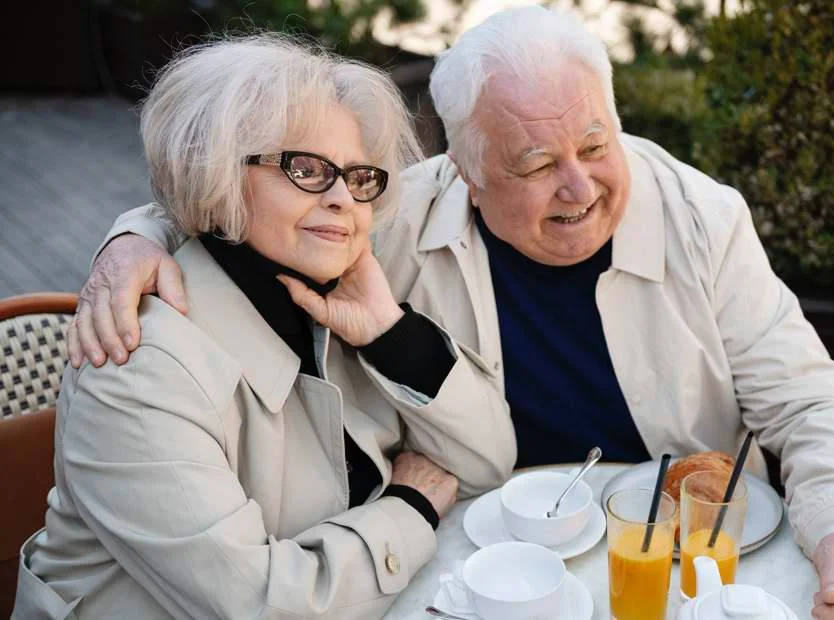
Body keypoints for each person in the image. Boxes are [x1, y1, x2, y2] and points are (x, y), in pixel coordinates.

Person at [70, 7, 834, 619]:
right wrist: (139, 234)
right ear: (462, 170)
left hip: (674, 563)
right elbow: (241, 196)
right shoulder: (391, 215)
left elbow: (809, 402)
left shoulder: (701, 219)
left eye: (596, 145)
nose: (578, 186)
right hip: (488, 566)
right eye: (535, 164)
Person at [14, 35, 516, 619]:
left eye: (358, 177)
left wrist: (391, 333)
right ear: (216, 172)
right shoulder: (139, 367)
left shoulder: (338, 288)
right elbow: (261, 607)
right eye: (306, 169)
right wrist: (410, 507)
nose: (343, 199)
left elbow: (487, 463)